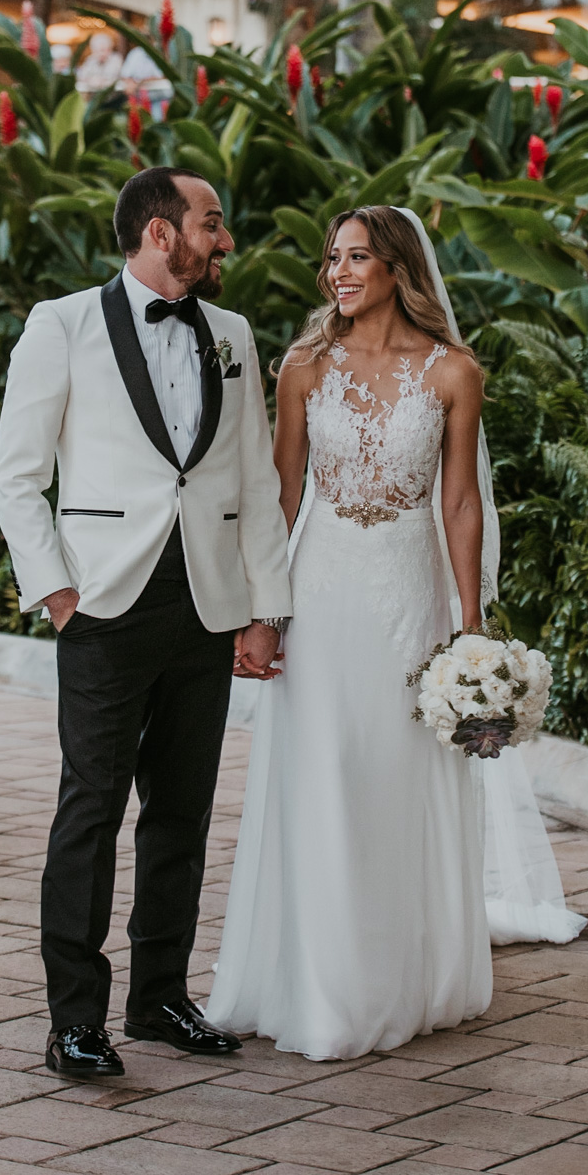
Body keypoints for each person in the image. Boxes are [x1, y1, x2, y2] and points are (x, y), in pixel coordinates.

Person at [0, 167, 292, 1080]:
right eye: (212, 224)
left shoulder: (233, 335)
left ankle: (161, 998)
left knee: (183, 813)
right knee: (90, 809)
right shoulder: (62, 324)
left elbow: (252, 481)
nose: (224, 240)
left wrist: (264, 608)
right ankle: (74, 1019)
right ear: (162, 233)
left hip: (206, 605)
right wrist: (56, 592)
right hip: (105, 606)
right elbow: (17, 475)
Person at [208, 206, 494, 1059]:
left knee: (397, 774)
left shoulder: (453, 373)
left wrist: (471, 628)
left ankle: (405, 974)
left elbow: (461, 501)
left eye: (357, 257)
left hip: (411, 595)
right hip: (323, 589)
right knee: (324, 769)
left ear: (397, 269)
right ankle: (320, 983)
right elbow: (282, 496)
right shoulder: (302, 366)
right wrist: (262, 610)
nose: (337, 271)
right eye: (332, 257)